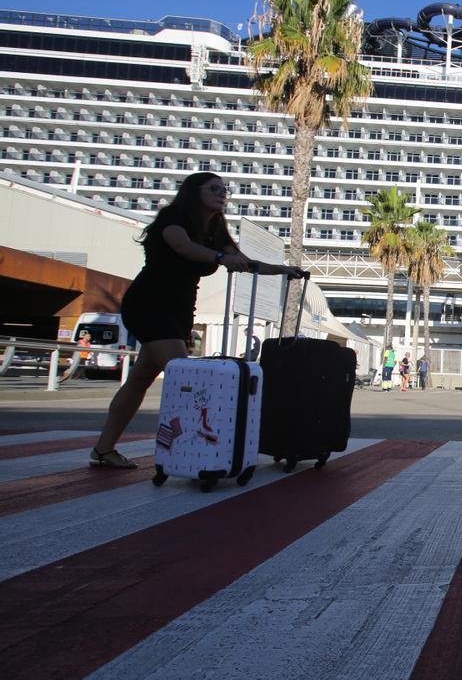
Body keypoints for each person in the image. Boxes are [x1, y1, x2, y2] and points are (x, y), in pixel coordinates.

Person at [89, 172, 304, 468]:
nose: (222, 194)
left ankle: (103, 449)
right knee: (186, 380)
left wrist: (282, 270)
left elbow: (241, 261)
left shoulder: (216, 227)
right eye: (214, 188)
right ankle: (188, 450)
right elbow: (181, 247)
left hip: (179, 310)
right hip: (151, 303)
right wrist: (218, 257)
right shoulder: (174, 217)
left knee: (140, 380)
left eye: (224, 189)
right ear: (195, 192)